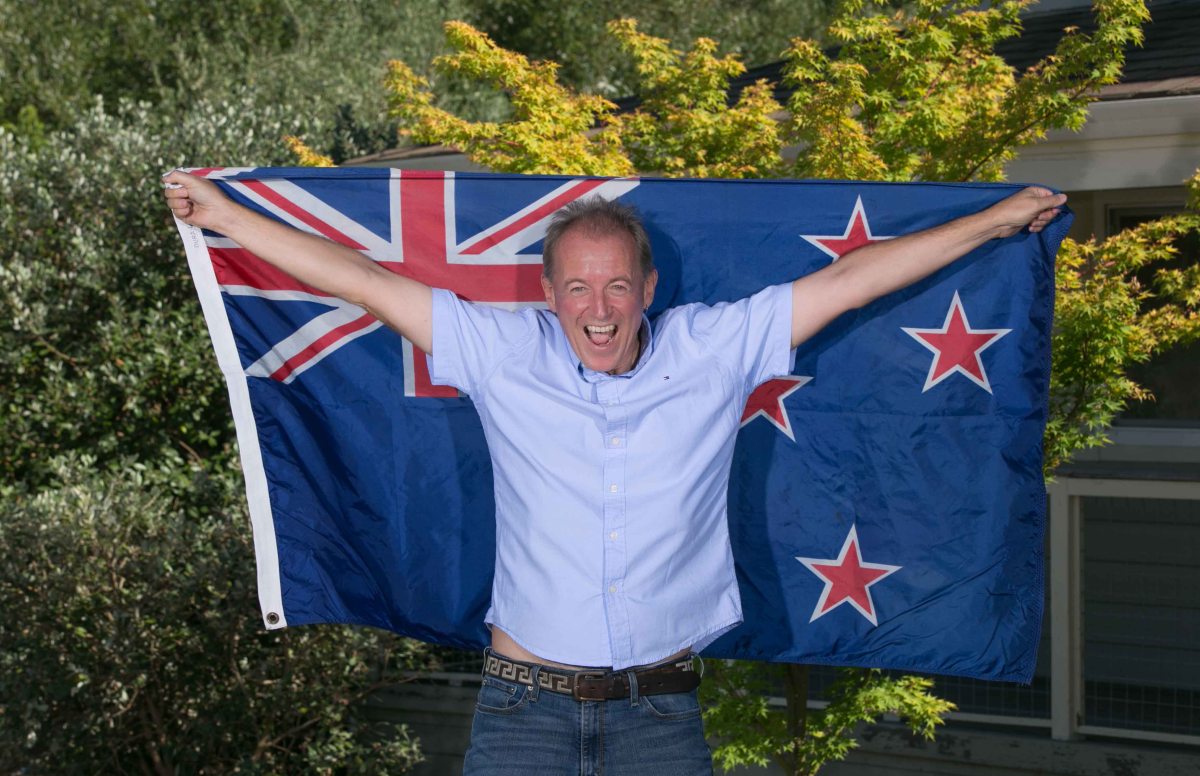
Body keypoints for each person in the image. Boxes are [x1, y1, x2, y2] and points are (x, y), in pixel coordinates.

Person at [163, 171, 1065, 775]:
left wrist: (993, 221)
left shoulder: (716, 347)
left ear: (648, 289)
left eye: (617, 286)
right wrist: (225, 216)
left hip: (659, 720)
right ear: (549, 294)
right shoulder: (497, 351)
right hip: (522, 714)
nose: (599, 309)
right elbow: (364, 282)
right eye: (578, 288)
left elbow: (852, 283)